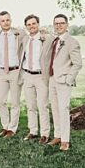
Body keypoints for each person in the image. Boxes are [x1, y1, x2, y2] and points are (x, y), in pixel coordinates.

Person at [45, 14, 82, 151]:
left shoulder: (72, 42)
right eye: (56, 23)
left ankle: (65, 140)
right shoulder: (54, 40)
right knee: (54, 108)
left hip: (64, 81)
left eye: (61, 23)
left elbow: (78, 64)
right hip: (52, 79)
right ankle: (58, 135)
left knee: (63, 109)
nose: (58, 25)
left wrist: (68, 79)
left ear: (67, 25)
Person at [0, 11, 24, 138]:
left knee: (15, 101)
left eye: (7, 20)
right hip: (1, 72)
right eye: (3, 20)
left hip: (15, 71)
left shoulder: (19, 34)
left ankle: (12, 128)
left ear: (11, 20)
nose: (6, 22)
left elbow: (32, 37)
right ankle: (5, 126)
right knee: (0, 100)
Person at [20, 15, 52, 143]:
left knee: (42, 105)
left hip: (41, 76)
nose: (32, 26)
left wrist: (46, 33)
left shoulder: (46, 38)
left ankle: (45, 133)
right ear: (26, 27)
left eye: (34, 24)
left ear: (38, 24)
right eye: (29, 24)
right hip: (27, 75)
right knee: (30, 106)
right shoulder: (25, 39)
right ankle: (33, 131)